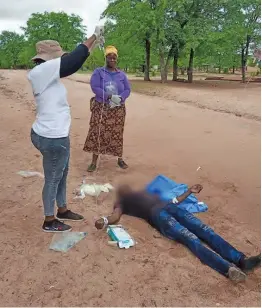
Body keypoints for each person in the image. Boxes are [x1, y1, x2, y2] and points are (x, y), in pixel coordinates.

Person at [95, 184, 261, 282]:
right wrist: (104, 220)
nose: (126, 187)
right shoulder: (121, 201)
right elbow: (116, 215)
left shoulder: (145, 193)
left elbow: (171, 201)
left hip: (170, 207)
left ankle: (242, 260)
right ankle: (227, 269)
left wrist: (189, 191)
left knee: (205, 230)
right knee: (191, 238)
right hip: (158, 216)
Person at [28, 26, 104, 232]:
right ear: (48, 58)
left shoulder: (48, 74)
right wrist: (93, 37)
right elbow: (71, 63)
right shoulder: (40, 71)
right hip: (51, 137)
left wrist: (91, 46)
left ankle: (62, 209)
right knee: (53, 177)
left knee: (61, 173)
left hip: (57, 135)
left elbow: (73, 60)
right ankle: (49, 220)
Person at [83, 45, 131, 172]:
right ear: (106, 58)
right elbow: (95, 88)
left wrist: (121, 98)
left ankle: (120, 159)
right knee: (98, 132)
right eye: (109, 57)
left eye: (114, 57)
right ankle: (94, 161)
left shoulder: (121, 74)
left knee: (117, 133)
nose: (112, 59)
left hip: (118, 108)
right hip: (102, 107)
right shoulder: (98, 72)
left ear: (117, 59)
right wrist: (109, 96)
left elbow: (128, 89)